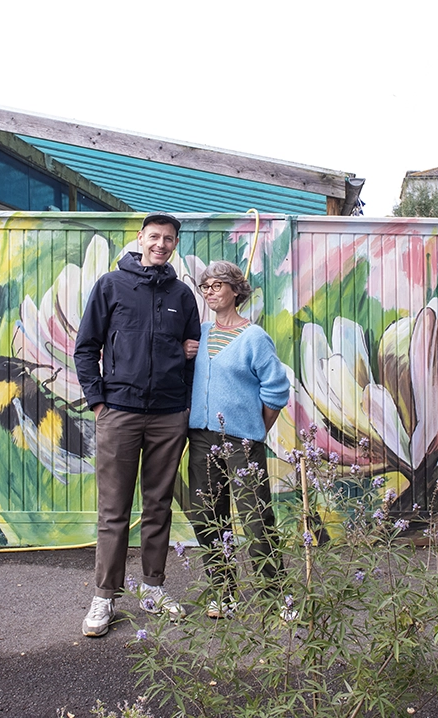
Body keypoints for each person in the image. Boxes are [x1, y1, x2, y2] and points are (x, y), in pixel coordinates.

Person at [73, 213, 201, 638]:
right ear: (140, 239)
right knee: (113, 511)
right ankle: (104, 597)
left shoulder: (183, 296)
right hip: (120, 413)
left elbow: (193, 356)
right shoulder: (111, 286)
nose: (161, 244)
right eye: (154, 237)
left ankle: (153, 588)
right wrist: (98, 403)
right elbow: (86, 348)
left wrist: (187, 370)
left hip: (168, 416)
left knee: (158, 506)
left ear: (175, 244)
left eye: (169, 239)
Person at [186, 260, 290, 619]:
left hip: (242, 442)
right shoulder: (199, 335)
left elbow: (276, 390)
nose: (210, 292)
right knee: (207, 516)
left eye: (217, 285)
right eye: (206, 287)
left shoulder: (254, 337)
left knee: (256, 518)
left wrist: (254, 429)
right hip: (201, 437)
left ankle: (275, 597)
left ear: (235, 290)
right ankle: (224, 593)